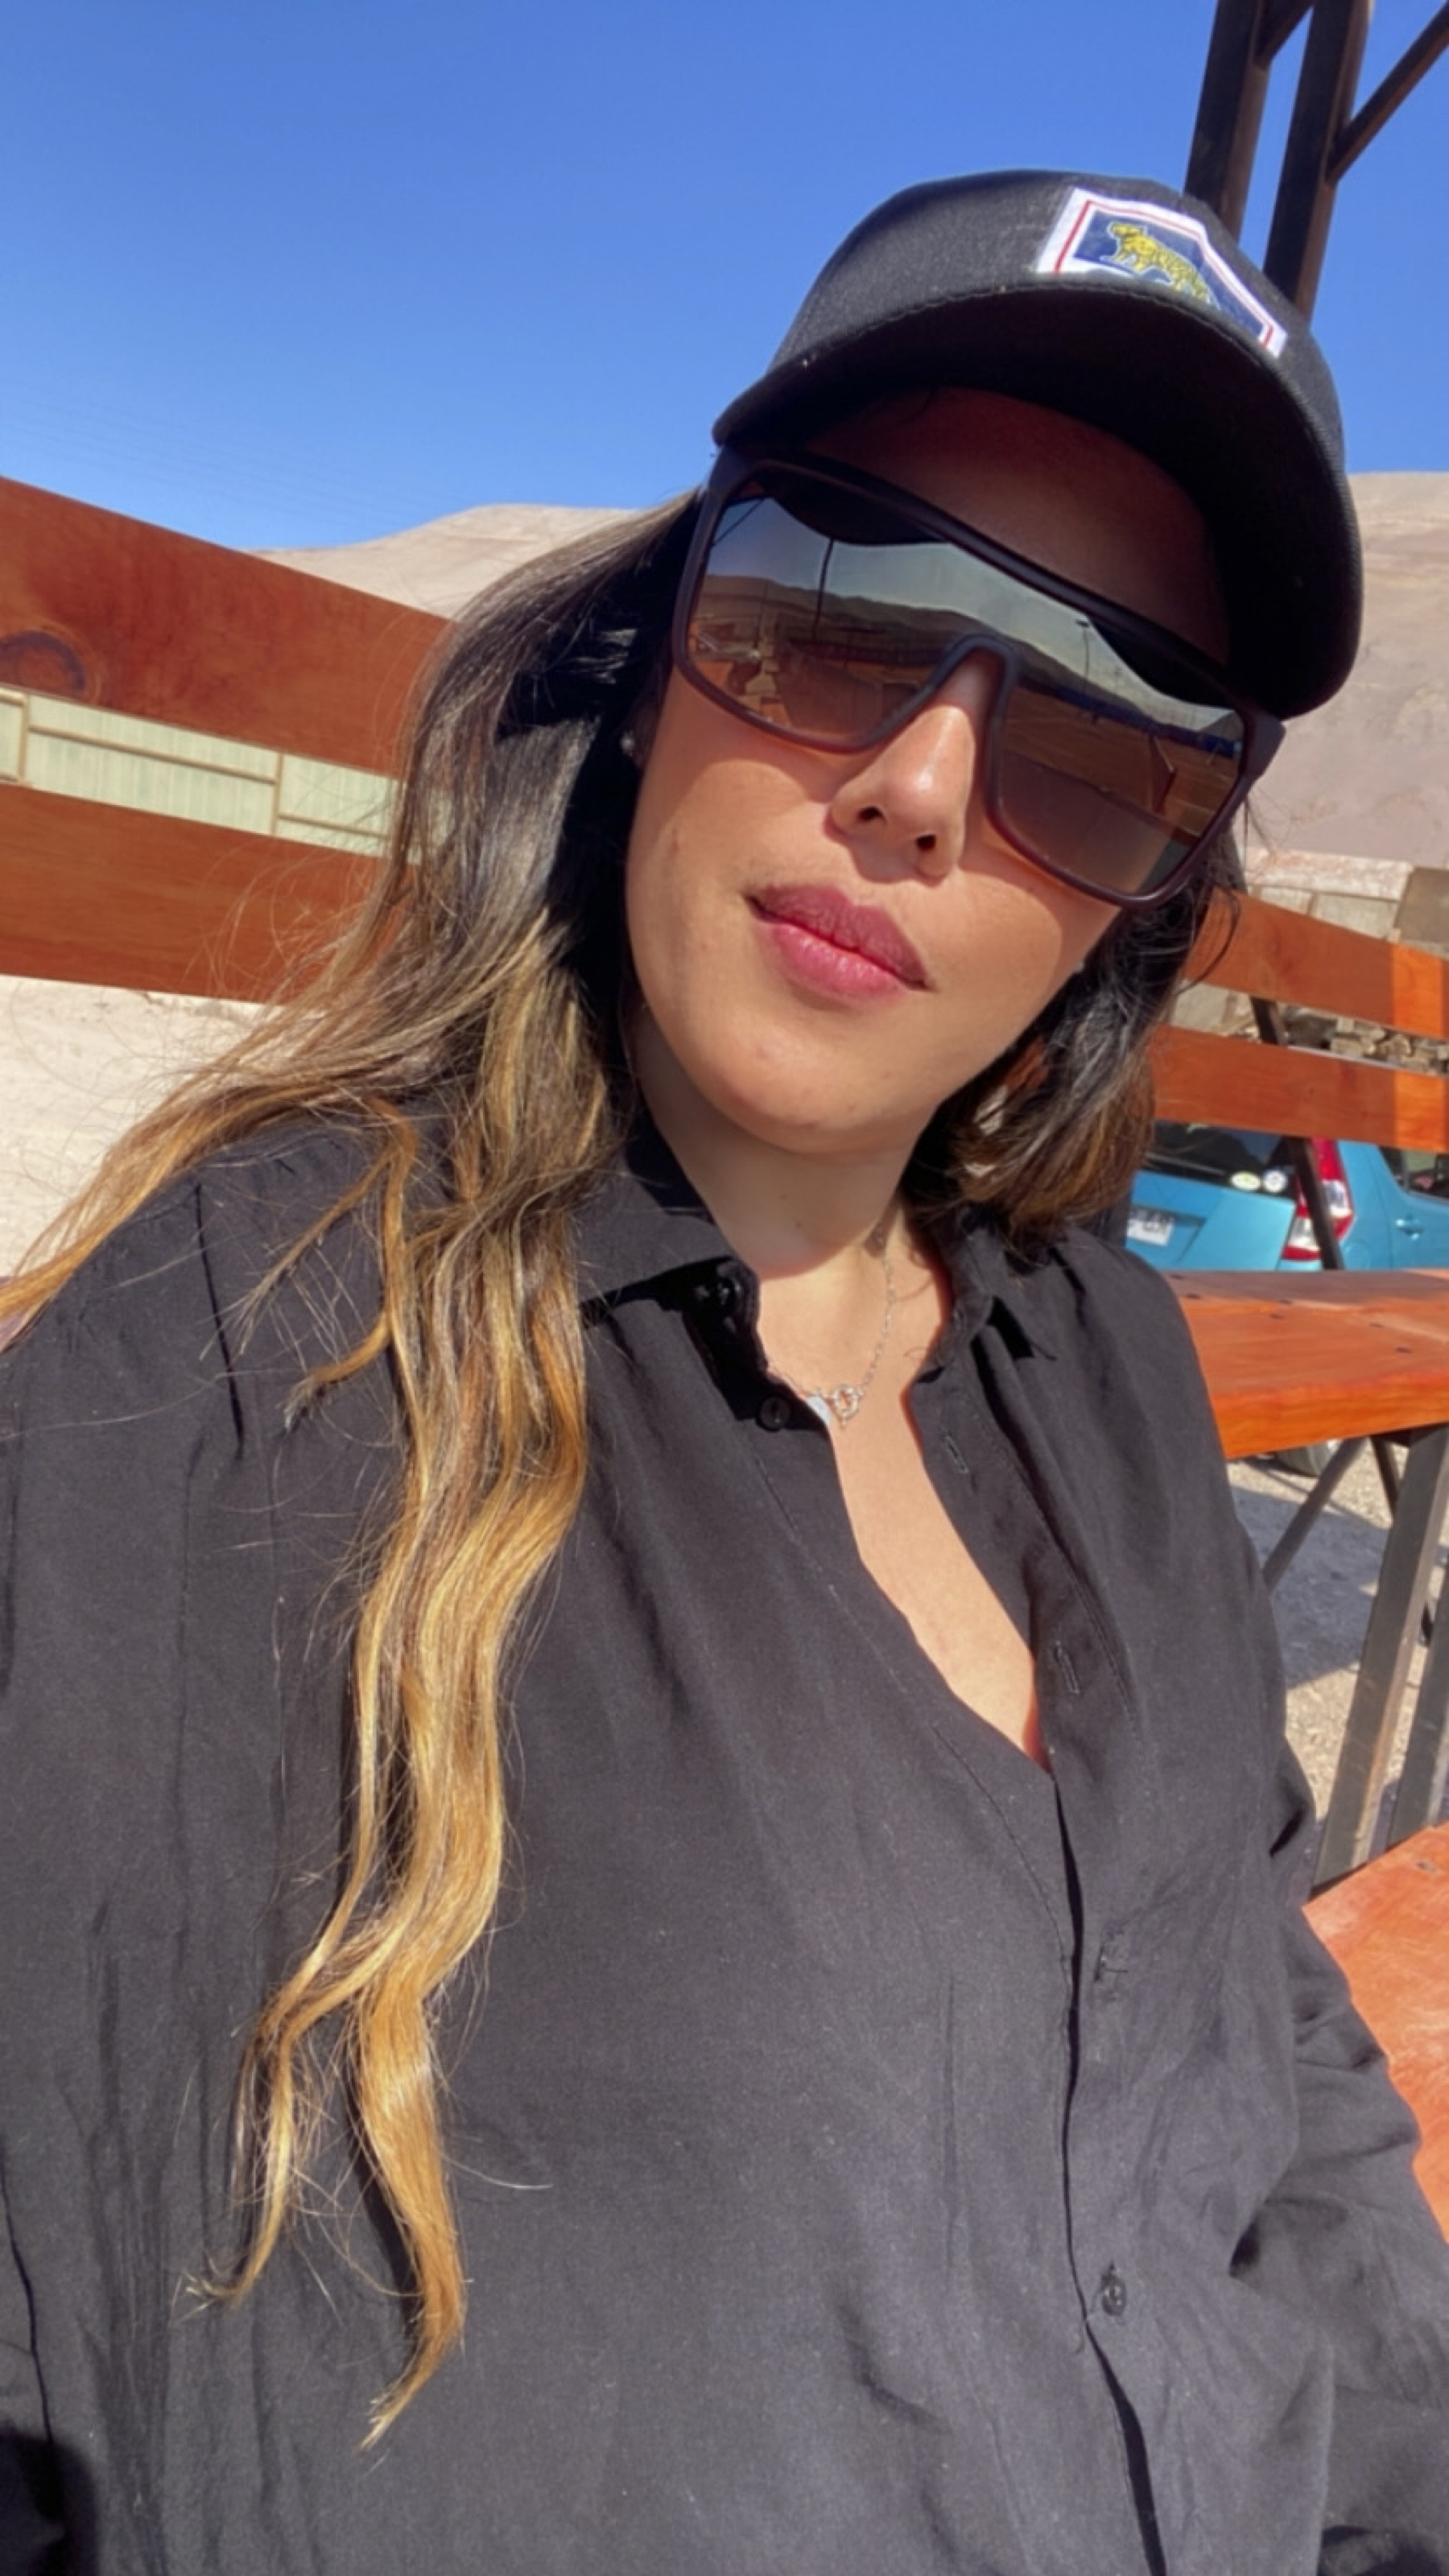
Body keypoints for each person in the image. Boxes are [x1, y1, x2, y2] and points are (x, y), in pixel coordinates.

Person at [2, 167, 1447, 2576]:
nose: (921, 787)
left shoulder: (1106, 1362)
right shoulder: (261, 1362)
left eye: (1105, 737)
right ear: (662, 648)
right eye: (841, 605)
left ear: (1147, 902)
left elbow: (1261, 2023)